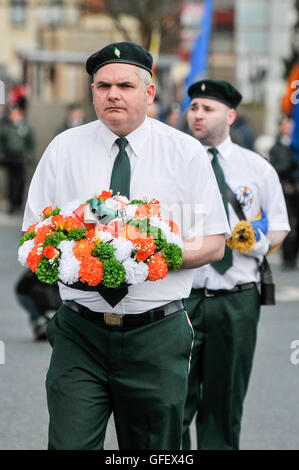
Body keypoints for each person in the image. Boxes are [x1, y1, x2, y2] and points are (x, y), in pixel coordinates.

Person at [21, 41, 230, 450]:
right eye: (102, 86)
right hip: (80, 332)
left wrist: (148, 257)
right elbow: (33, 236)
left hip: (155, 333)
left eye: (124, 85)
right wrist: (73, 261)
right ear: (92, 92)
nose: (112, 94)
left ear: (149, 93)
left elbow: (213, 245)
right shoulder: (64, 150)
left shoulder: (184, 153)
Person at [182, 79, 290, 450]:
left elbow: (279, 226)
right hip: (182, 298)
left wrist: (256, 243)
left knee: (224, 402)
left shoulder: (256, 168)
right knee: (172, 401)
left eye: (206, 108)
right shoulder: (175, 163)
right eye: (193, 107)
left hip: (236, 299)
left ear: (230, 115)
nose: (197, 114)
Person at [269, 116, 299, 269]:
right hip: (285, 190)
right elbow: (277, 168)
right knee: (288, 223)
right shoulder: (277, 147)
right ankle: (288, 258)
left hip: (296, 188)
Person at [0, 104, 35, 214]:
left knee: (21, 182)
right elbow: (2, 142)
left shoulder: (26, 127)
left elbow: (31, 143)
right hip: (9, 158)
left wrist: (29, 155)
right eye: (12, 114)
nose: (14, 116)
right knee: (10, 181)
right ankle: (11, 203)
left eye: (16, 114)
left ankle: (18, 204)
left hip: (21, 159)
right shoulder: (6, 127)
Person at [15, 269, 62, 341]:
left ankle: (42, 325)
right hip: (29, 294)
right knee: (37, 313)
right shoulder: (36, 274)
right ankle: (40, 324)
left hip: (34, 292)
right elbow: (21, 290)